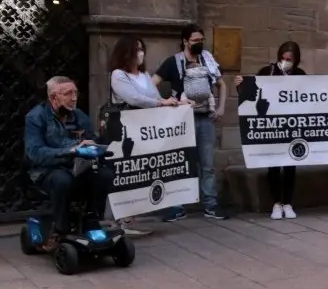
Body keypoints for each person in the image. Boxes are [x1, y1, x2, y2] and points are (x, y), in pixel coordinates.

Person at [24, 77, 115, 251]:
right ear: (53, 98)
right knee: (62, 180)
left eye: (75, 93)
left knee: (104, 175)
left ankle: (92, 221)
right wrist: (71, 150)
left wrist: (97, 144)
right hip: (46, 169)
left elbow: (91, 139)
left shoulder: (79, 115)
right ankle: (60, 229)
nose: (74, 98)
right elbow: (35, 153)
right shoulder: (35, 117)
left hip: (77, 166)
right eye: (68, 94)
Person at [107, 36, 181, 237]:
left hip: (145, 130)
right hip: (127, 129)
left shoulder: (144, 74)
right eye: (136, 49)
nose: (140, 53)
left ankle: (131, 217)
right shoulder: (118, 74)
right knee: (126, 170)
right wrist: (160, 104)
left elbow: (155, 97)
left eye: (142, 48)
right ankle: (121, 219)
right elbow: (134, 98)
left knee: (142, 170)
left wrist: (173, 102)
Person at [153, 24, 228, 220]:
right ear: (185, 41)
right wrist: (164, 103)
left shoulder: (207, 60)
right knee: (180, 162)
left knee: (207, 164)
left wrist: (220, 108)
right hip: (182, 119)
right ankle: (177, 207)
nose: (199, 44)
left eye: (201, 40)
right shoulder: (173, 62)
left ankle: (211, 205)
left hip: (204, 118)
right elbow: (152, 83)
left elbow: (221, 84)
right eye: (195, 40)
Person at [234, 41, 304, 220]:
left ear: (295, 60)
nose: (285, 61)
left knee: (290, 165)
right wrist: (240, 84)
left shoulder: (300, 74)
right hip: (272, 126)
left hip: (291, 126)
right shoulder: (268, 72)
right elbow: (252, 92)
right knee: (274, 165)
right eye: (283, 58)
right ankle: (276, 203)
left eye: (289, 59)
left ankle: (288, 203)